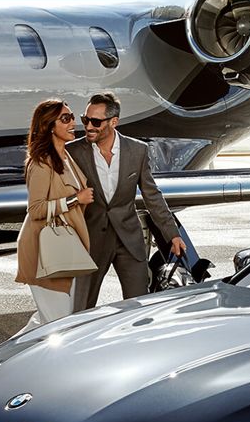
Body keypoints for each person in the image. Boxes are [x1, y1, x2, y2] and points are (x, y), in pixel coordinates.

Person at [67, 92, 186, 312]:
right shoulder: (73, 152)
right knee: (80, 311)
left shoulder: (137, 150)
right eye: (85, 119)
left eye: (95, 121)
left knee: (139, 308)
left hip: (129, 240)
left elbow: (152, 196)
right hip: (91, 241)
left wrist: (173, 234)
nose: (88, 126)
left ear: (113, 122)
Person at [15, 99, 94, 332]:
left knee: (46, 322)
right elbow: (36, 209)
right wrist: (74, 200)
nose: (73, 124)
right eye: (65, 119)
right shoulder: (41, 163)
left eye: (72, 117)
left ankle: (0, 362)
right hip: (44, 252)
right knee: (58, 325)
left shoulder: (67, 158)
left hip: (66, 248)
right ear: (49, 125)